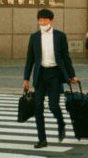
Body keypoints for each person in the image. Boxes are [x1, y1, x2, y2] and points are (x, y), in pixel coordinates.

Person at [22, 8, 76, 149]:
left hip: (55, 74)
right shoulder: (34, 37)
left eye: (45, 20)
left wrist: (72, 75)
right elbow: (30, 60)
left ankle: (61, 122)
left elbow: (66, 57)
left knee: (53, 106)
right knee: (38, 107)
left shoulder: (60, 36)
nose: (42, 22)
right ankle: (42, 139)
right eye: (40, 20)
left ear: (51, 21)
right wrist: (26, 79)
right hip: (40, 75)